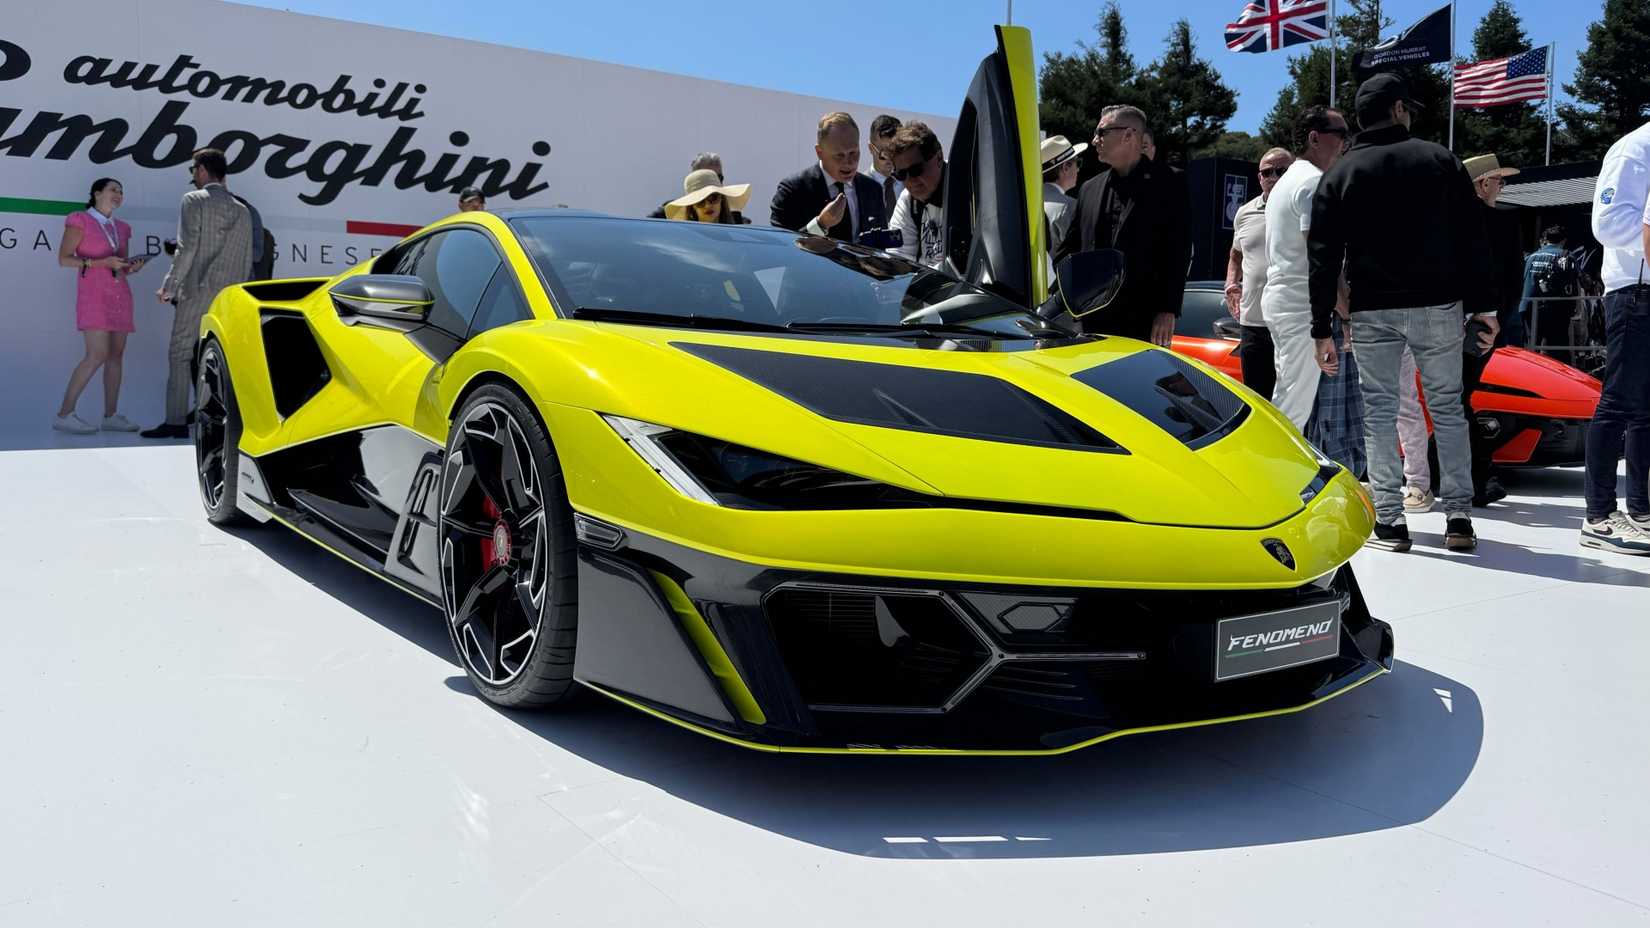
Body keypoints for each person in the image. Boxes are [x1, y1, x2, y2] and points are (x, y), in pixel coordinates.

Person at [1307, 73, 1494, 553]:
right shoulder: (1439, 159)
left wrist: (1320, 328)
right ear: (1395, 110)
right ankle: (1458, 518)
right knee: (1448, 410)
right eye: (1405, 106)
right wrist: (1484, 307)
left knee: (1379, 413)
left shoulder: (1341, 172)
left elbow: (1323, 256)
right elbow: (1473, 237)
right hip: (1438, 304)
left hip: (1373, 310)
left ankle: (1390, 522)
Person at [1054, 105, 1190, 346]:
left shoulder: (1170, 182)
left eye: (1101, 132)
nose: (1094, 140)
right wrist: (1071, 299)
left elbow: (1177, 251)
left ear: (1128, 135)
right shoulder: (1089, 189)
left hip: (1144, 323)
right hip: (1090, 324)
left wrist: (1167, 310)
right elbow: (1067, 251)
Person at [146, 148, 253, 440]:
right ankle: (221, 421)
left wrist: (168, 286)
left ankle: (176, 421)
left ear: (203, 170)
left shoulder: (193, 200)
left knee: (180, 354)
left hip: (196, 291)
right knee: (220, 359)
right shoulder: (242, 210)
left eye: (193, 169)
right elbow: (245, 261)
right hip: (227, 298)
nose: (193, 175)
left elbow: (187, 247)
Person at [1578, 119, 1650, 554]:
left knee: (1645, 410)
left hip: (1643, 288)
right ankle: (1599, 516)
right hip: (1633, 289)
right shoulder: (1633, 150)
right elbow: (1607, 224)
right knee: (1620, 401)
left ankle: (1641, 508)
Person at [1262, 106, 1349, 431]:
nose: (1345, 143)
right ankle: (1271, 478)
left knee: (1289, 398)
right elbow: (1321, 259)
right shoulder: (1313, 183)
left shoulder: (1289, 182)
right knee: (1292, 409)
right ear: (1314, 138)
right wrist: (1345, 313)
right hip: (1300, 307)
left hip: (1287, 303)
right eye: (1340, 134)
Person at [53, 178, 148, 434]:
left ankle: (111, 415)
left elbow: (121, 266)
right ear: (96, 193)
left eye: (121, 191)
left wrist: (131, 267)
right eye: (112, 190)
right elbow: (64, 259)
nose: (118, 194)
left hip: (120, 295)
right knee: (96, 355)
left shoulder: (122, 227)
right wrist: (100, 264)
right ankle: (64, 414)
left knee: (116, 356)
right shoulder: (80, 220)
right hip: (94, 296)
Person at [1462, 153, 1523, 506]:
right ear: (1484, 183)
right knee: (1459, 401)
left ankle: (1475, 477)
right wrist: (1496, 324)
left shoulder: (1445, 223)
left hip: (1447, 323)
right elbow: (1512, 284)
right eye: (1500, 180)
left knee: (1453, 402)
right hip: (1483, 327)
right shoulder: (1502, 225)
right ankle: (1479, 477)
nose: (1503, 186)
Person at [1225, 146, 1293, 401]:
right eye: (1267, 172)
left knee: (1295, 405)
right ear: (1259, 177)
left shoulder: (1308, 207)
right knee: (1258, 400)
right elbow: (1235, 255)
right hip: (1253, 323)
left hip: (1292, 324)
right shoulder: (1244, 213)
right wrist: (1230, 284)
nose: (1273, 177)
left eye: (1281, 171)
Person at [770, 112, 890, 242]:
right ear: (819, 152)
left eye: (853, 153)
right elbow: (781, 246)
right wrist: (821, 224)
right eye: (839, 155)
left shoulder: (873, 190)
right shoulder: (793, 190)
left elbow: (880, 246)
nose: (849, 162)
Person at [885, 122, 948, 267]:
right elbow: (898, 258)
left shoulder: (968, 192)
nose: (910, 181)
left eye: (915, 170)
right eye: (901, 174)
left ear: (939, 158)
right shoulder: (908, 199)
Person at [1521, 225, 1580, 364]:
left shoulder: (1531, 257)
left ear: (1545, 240)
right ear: (1563, 241)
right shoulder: (1566, 256)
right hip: (1556, 309)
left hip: (1528, 307)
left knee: (1530, 347)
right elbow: (1576, 281)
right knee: (1557, 350)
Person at [1040, 134, 1086, 252]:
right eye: (1078, 163)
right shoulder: (1070, 207)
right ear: (1066, 167)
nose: (1078, 169)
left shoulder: (1029, 203)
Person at [665, 169, 751, 223]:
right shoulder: (686, 243)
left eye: (713, 198)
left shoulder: (737, 240)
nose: (708, 205)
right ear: (692, 207)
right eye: (700, 201)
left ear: (722, 199)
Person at [864, 115, 904, 219]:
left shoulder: (910, 184)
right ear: (870, 148)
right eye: (884, 152)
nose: (890, 158)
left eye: (895, 150)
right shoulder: (859, 187)